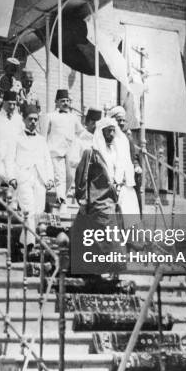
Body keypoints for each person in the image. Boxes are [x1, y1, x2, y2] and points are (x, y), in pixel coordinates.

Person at [70, 118, 124, 274]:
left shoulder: (114, 153)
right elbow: (82, 177)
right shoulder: (91, 153)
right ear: (101, 132)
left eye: (114, 130)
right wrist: (83, 199)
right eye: (109, 131)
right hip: (96, 201)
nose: (112, 134)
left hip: (110, 201)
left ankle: (104, 270)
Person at [5, 104, 54, 248]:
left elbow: (47, 160)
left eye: (35, 119)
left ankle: (22, 241)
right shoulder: (16, 138)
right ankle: (30, 245)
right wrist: (12, 177)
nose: (33, 122)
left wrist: (50, 178)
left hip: (39, 178)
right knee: (29, 211)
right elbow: (9, 159)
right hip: (23, 178)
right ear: (24, 120)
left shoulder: (41, 140)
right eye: (30, 119)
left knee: (38, 212)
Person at [43, 89, 84, 205]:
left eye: (67, 101)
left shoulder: (73, 117)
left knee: (70, 177)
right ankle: (60, 198)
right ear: (56, 102)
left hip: (69, 153)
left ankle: (62, 196)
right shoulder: (50, 116)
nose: (65, 103)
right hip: (55, 152)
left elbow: (81, 132)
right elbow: (43, 136)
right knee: (59, 176)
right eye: (62, 101)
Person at [108, 105, 142, 216]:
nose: (122, 123)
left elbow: (133, 157)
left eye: (123, 120)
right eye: (119, 120)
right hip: (113, 181)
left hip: (126, 181)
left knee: (130, 213)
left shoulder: (127, 139)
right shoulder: (108, 138)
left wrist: (136, 165)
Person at [0, 90, 24, 181]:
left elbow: (23, 139)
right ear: (3, 103)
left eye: (14, 104)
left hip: (13, 162)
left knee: (13, 189)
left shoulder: (19, 119)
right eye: (9, 104)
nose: (12, 107)